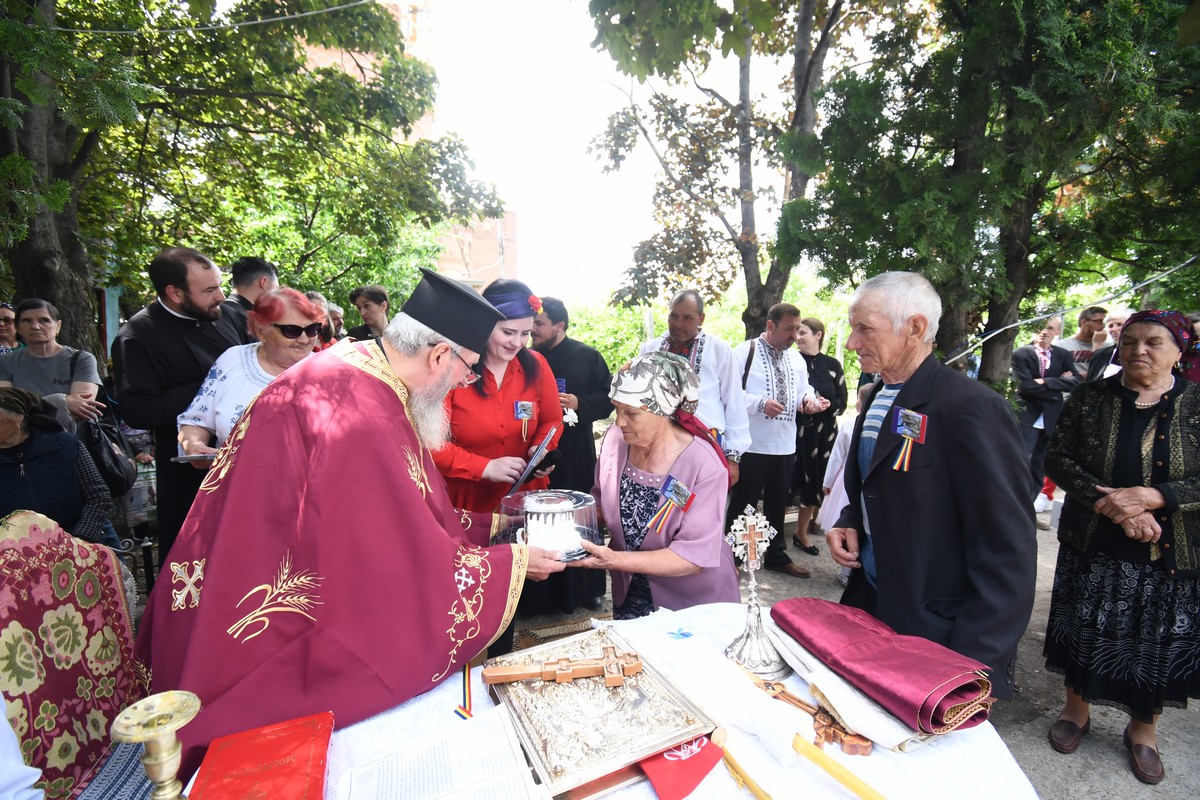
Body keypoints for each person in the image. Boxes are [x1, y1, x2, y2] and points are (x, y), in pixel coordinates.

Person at [137, 268, 566, 780]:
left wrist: (485, 527)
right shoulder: (364, 413)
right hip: (271, 628)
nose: (464, 382)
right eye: (468, 369)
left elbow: (397, 507)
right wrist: (511, 562)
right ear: (437, 356)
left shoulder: (357, 368)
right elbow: (385, 557)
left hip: (245, 567)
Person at [825, 272, 1037, 699]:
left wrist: (973, 666)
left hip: (935, 630)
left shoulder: (972, 408)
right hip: (871, 605)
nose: (851, 342)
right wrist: (850, 519)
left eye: (864, 328)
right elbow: (876, 480)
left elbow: (1007, 548)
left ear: (916, 328)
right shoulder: (880, 393)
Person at [1042, 310, 1200, 786]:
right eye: (1129, 341)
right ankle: (1076, 711)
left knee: (1153, 639)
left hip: (1171, 550)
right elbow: (1058, 458)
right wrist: (1117, 506)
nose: (1138, 351)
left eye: (1153, 342)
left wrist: (1156, 498)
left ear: (1180, 350)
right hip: (1095, 539)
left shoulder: (1197, 403)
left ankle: (1143, 731)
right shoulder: (1091, 397)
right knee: (1086, 622)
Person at [571, 352, 740, 619]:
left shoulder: (703, 465)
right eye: (616, 408)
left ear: (663, 411)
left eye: (631, 413)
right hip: (630, 591)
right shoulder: (616, 440)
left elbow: (692, 557)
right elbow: (602, 503)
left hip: (690, 603)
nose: (618, 421)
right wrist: (562, 522)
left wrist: (615, 560)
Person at [111, 247, 250, 561]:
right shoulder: (136, 336)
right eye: (209, 290)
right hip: (190, 473)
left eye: (219, 285)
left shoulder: (227, 314)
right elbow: (138, 410)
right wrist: (211, 388)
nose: (221, 296)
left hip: (246, 458)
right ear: (174, 292)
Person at [432, 279, 563, 515]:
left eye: (526, 333)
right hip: (467, 501)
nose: (517, 343)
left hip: (526, 496)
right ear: (484, 324)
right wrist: (485, 467)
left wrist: (540, 449)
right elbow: (433, 445)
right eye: (508, 332)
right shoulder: (454, 368)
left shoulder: (537, 365)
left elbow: (552, 420)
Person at [727, 303, 827, 579]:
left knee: (777, 502)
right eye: (789, 329)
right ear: (770, 326)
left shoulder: (795, 359)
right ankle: (732, 558)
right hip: (751, 444)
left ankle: (775, 555)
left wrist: (809, 401)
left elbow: (802, 390)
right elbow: (730, 393)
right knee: (744, 502)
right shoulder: (744, 352)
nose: (795, 335)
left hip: (784, 444)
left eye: (797, 329)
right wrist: (759, 403)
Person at [527, 296, 610, 613]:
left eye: (540, 324)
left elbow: (607, 398)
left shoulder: (586, 356)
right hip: (536, 453)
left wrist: (578, 402)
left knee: (579, 518)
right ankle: (541, 594)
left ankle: (585, 590)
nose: (533, 330)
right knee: (538, 519)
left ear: (559, 326)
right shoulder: (528, 358)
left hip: (575, 454)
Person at [177, 289, 325, 456]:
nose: (304, 339)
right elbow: (197, 420)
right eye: (291, 330)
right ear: (261, 331)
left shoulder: (326, 372)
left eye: (312, 329)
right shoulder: (232, 360)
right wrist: (195, 445)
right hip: (236, 479)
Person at [639, 290, 750, 484]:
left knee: (702, 506)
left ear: (701, 318)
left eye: (687, 318)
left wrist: (733, 457)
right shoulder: (650, 349)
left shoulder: (720, 350)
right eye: (673, 316)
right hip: (657, 447)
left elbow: (735, 403)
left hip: (705, 446)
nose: (678, 324)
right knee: (663, 507)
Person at [0, 387, 111, 544]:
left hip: (78, 543)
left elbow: (98, 496)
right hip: (14, 554)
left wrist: (79, 540)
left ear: (18, 416)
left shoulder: (65, 445)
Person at [0, 299, 104, 429]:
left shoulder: (81, 359)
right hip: (22, 442)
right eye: (26, 321)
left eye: (44, 320)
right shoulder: (5, 361)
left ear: (58, 326)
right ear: (18, 328)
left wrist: (28, 406)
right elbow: (7, 408)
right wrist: (61, 402)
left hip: (73, 439)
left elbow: (81, 410)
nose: (35, 326)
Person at [791, 316, 848, 552]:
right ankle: (770, 536)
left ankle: (801, 533)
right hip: (794, 432)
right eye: (796, 332)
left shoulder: (832, 365)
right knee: (788, 482)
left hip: (823, 437)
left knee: (814, 483)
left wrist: (826, 405)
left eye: (803, 332)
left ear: (818, 335)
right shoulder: (791, 361)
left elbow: (842, 402)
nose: (797, 337)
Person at [1011, 317, 1078, 504]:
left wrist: (1046, 381)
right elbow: (1025, 386)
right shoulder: (1021, 353)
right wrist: (1058, 386)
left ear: (1057, 331)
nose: (1044, 331)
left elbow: (1076, 382)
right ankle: (1012, 501)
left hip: (1050, 418)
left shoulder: (1063, 355)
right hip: (1027, 416)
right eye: (1041, 327)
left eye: (1050, 328)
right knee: (1020, 459)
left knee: (1040, 465)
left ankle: (1029, 504)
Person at [219, 257, 279, 341]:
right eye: (276, 288)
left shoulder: (223, 312)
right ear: (263, 282)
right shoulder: (242, 319)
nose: (276, 295)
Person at [1057, 306, 1107, 378]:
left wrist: (1098, 345)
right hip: (1068, 387)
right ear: (1084, 322)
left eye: (1105, 322)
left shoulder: (1108, 346)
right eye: (1099, 321)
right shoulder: (1061, 346)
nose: (1103, 326)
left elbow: (1104, 373)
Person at [1085, 308, 1133, 381]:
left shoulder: (1142, 353)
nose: (1114, 329)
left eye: (1119, 324)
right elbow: (1089, 383)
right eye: (1110, 326)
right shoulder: (1099, 355)